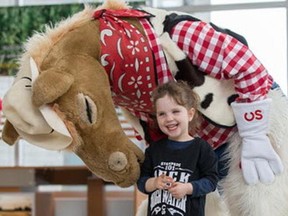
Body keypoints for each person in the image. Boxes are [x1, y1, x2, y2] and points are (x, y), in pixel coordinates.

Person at [137, 81, 219, 216]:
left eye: (175, 111)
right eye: (162, 114)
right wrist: (154, 182)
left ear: (190, 114)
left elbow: (211, 181)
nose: (169, 118)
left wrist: (188, 188)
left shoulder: (201, 148)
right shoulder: (154, 150)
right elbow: (141, 182)